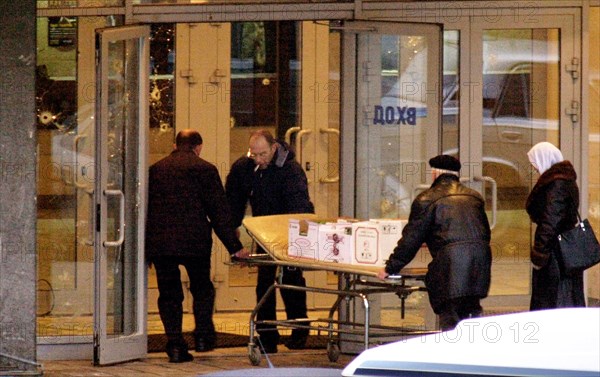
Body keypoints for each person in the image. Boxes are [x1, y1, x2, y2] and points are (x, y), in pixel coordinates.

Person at [146, 129, 249, 363]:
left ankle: (174, 345)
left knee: (169, 294)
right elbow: (219, 212)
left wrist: (147, 245)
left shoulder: (156, 169)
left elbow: (147, 209)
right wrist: (235, 248)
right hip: (195, 242)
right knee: (202, 287)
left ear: (175, 144)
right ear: (199, 147)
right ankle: (203, 335)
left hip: (162, 243)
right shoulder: (205, 169)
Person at [377, 155, 492, 331]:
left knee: (451, 321)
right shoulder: (474, 197)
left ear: (435, 173)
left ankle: (451, 357)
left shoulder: (426, 199)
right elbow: (485, 233)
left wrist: (390, 267)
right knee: (470, 319)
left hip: (450, 268)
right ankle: (470, 355)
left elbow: (411, 239)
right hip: (479, 265)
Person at [225, 129, 314, 353]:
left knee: (291, 279)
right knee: (265, 281)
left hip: (289, 230)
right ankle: (267, 335)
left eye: (262, 154)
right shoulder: (245, 168)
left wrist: (298, 238)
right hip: (264, 232)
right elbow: (234, 201)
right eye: (253, 154)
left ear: (274, 148)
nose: (258, 159)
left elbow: (300, 206)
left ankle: (299, 328)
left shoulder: (291, 170)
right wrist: (232, 228)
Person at [526, 141, 585, 310]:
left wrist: (540, 253)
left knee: (554, 300)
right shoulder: (564, 181)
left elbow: (550, 222)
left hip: (556, 253)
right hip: (562, 249)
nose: (535, 168)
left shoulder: (556, 184)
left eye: (535, 163)